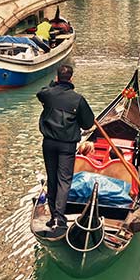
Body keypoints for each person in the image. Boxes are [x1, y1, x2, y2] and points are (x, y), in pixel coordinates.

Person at [37, 64, 95, 231]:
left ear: (57, 78)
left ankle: (53, 216)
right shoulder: (78, 99)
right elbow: (88, 124)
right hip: (67, 145)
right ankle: (59, 220)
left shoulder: (48, 94)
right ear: (71, 78)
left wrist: (54, 85)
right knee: (64, 180)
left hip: (48, 143)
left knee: (52, 178)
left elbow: (41, 91)